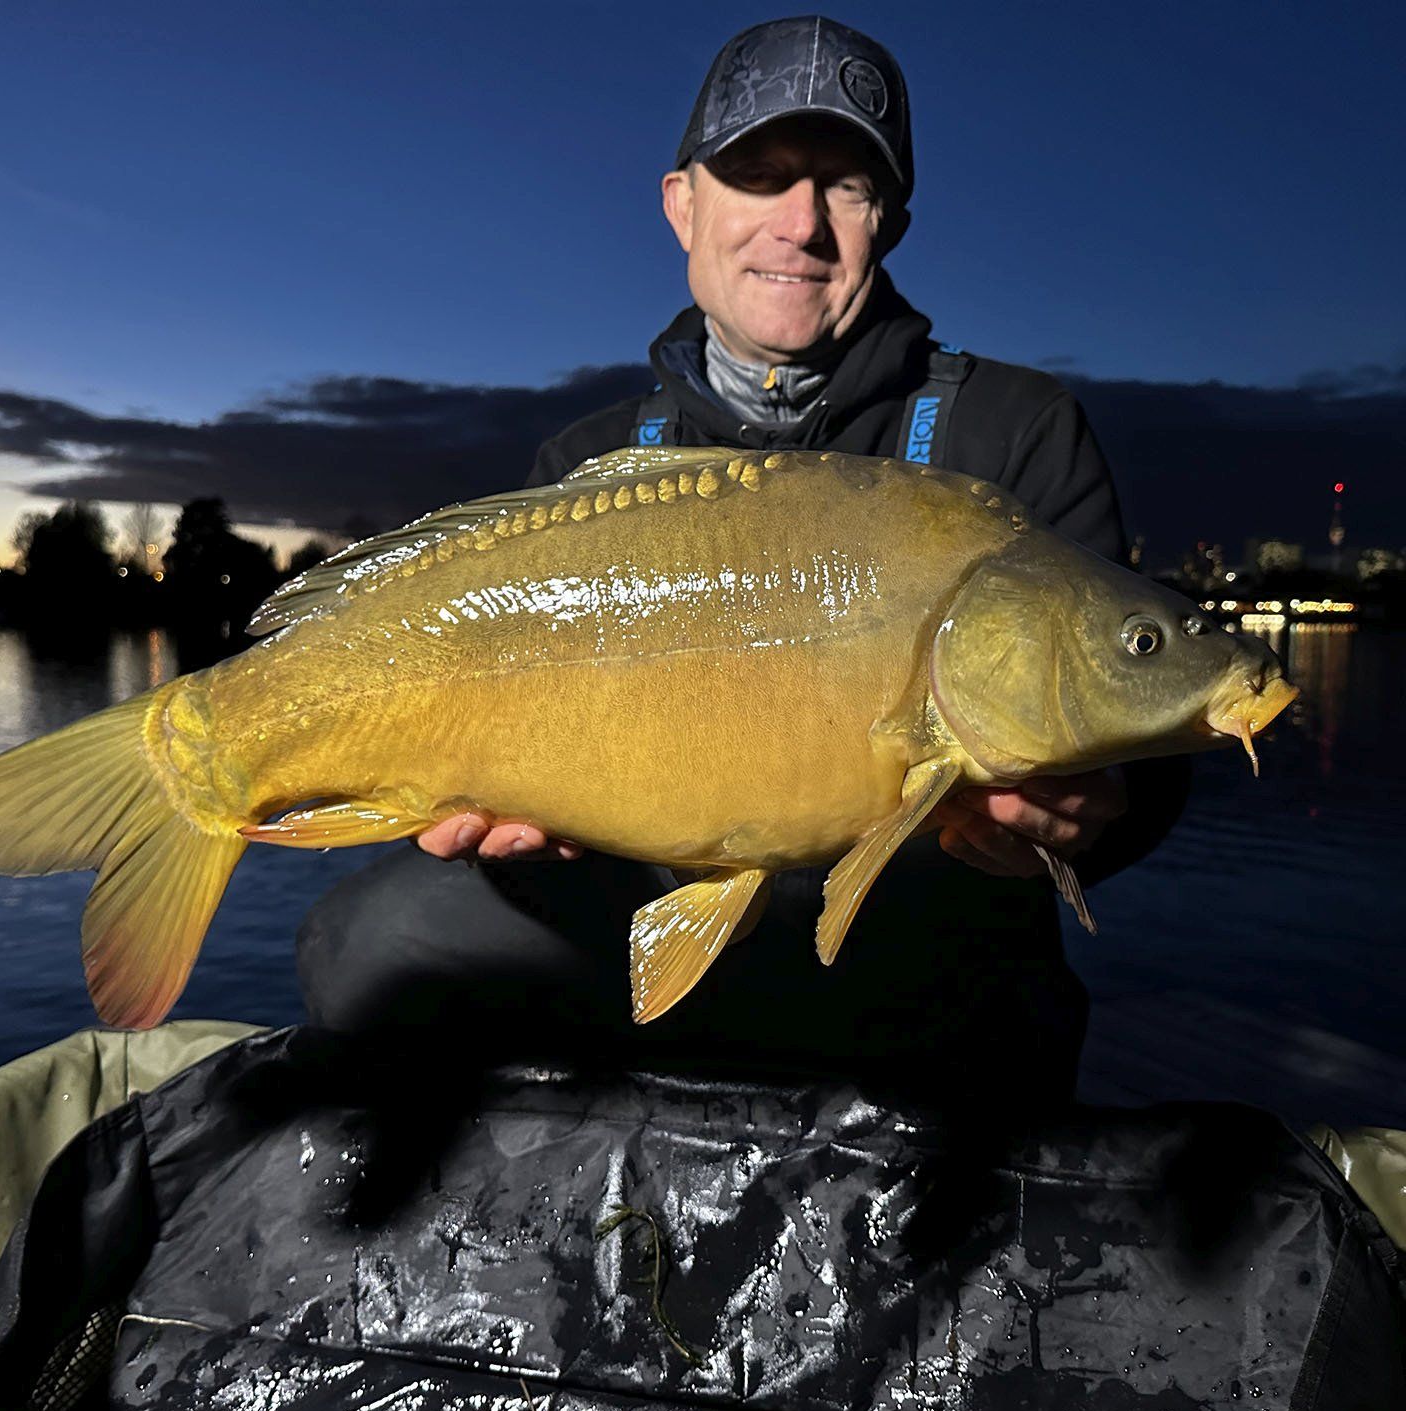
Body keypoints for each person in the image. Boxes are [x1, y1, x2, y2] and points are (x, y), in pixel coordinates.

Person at [297, 15, 1189, 1095]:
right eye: (759, 175)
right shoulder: (584, 463)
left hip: (921, 950)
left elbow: (1130, 703)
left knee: (995, 1038)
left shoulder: (1014, 434)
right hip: (633, 909)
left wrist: (1115, 808)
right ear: (683, 203)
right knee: (371, 947)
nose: (800, 223)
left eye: (846, 185)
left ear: (890, 220)